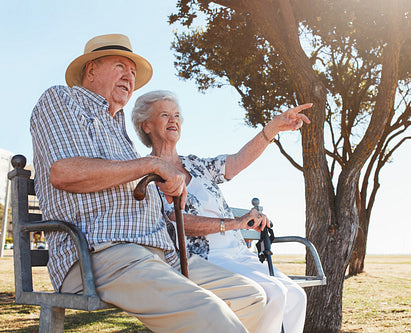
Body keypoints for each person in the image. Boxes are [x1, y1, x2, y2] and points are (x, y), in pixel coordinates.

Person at [30, 33, 267, 333]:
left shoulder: (117, 127)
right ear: (90, 70)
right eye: (120, 67)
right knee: (210, 316)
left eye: (133, 72)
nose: (129, 77)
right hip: (101, 252)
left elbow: (132, 180)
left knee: (251, 298)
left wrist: (165, 190)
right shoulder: (62, 99)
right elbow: (63, 173)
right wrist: (152, 165)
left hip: (160, 253)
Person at [131, 90, 312, 333]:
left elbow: (237, 161)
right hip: (204, 259)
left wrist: (273, 128)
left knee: (296, 296)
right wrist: (235, 222)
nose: (173, 120)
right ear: (146, 125)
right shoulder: (149, 172)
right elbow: (174, 221)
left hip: (237, 252)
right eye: (164, 114)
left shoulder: (196, 164)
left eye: (176, 115)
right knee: (275, 294)